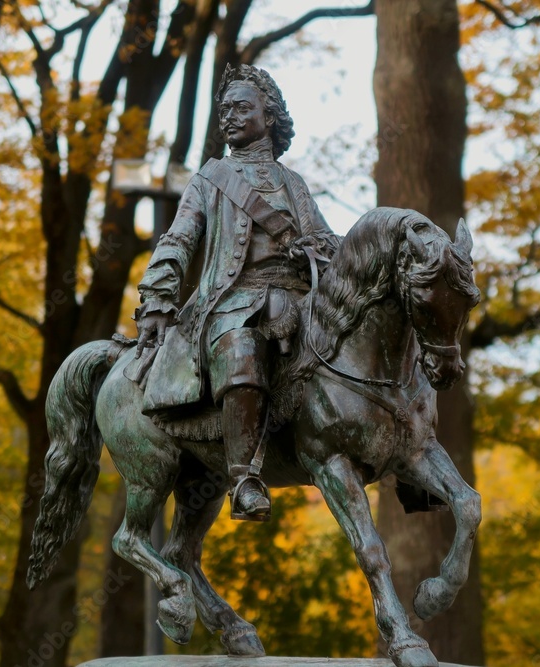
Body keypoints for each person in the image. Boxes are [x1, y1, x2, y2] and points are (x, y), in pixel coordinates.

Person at [133, 64, 338, 520]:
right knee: (241, 345)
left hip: (300, 301)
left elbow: (326, 240)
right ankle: (245, 478)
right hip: (233, 303)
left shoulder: (294, 183)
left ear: (269, 117)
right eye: (223, 109)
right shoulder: (210, 180)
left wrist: (324, 250)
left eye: (240, 107)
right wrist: (159, 296)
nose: (227, 116)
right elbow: (178, 239)